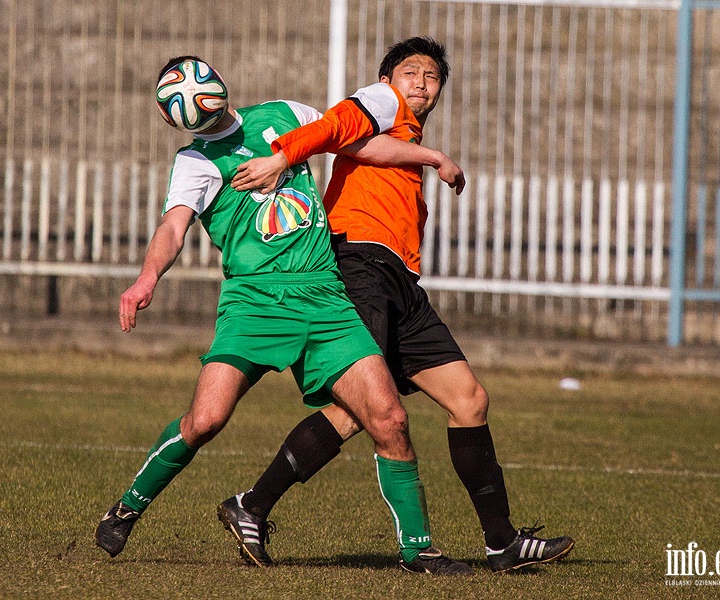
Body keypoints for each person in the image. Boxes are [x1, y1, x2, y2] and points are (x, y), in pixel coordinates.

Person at [94, 55, 473, 575]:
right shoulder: (195, 162)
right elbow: (173, 228)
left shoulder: (286, 113)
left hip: (324, 296)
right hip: (255, 301)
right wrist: (146, 278)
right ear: (171, 119)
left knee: (389, 418)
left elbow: (357, 144)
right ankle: (127, 508)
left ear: (222, 82)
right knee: (206, 421)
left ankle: (418, 549)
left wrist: (429, 157)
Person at [228, 36, 575, 573]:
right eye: (409, 72)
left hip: (401, 284)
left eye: (432, 77)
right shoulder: (381, 102)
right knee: (363, 409)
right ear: (388, 79)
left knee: (469, 400)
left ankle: (501, 542)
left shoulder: (401, 135)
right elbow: (335, 126)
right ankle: (257, 507)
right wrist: (282, 157)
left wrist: (430, 158)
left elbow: (357, 145)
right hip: (359, 267)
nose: (421, 82)